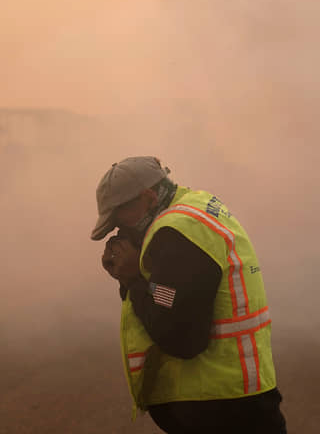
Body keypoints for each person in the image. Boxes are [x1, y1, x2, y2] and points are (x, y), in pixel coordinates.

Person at [90, 156, 287, 434]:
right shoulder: (195, 206)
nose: (121, 232)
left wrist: (134, 279)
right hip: (236, 398)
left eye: (120, 220)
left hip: (216, 406)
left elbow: (181, 337)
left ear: (147, 197)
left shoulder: (175, 234)